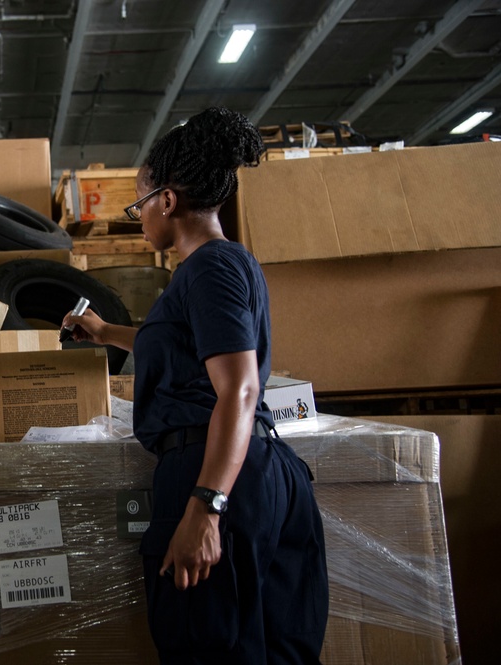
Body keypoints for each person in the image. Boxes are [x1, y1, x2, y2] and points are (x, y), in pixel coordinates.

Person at [62, 108, 328, 664]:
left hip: (217, 469)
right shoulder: (216, 268)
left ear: (167, 199)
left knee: (209, 648)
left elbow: (240, 390)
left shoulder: (209, 267)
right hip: (250, 468)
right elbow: (186, 350)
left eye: (138, 204)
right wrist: (106, 331)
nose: (137, 219)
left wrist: (206, 508)